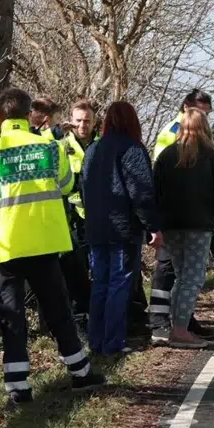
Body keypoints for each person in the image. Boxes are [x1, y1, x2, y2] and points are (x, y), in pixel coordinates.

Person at [0, 88, 100, 405]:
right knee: (59, 313)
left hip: (6, 249)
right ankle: (81, 374)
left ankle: (18, 388)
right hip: (45, 246)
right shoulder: (50, 149)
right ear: (29, 116)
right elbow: (68, 185)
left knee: (12, 321)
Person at [80, 101, 162, 356]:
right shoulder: (132, 149)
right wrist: (153, 227)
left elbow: (84, 189)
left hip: (96, 228)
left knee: (100, 284)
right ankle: (113, 342)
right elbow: (142, 194)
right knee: (119, 283)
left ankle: (96, 341)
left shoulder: (93, 149)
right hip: (122, 229)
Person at [153, 108, 214, 349]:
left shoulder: (166, 155)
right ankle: (179, 329)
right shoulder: (210, 156)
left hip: (171, 226)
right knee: (193, 278)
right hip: (199, 225)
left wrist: (157, 226)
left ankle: (176, 326)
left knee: (181, 275)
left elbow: (155, 192)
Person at [59, 99, 97, 319]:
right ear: (71, 122)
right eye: (79, 121)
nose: (83, 125)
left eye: (87, 121)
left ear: (94, 122)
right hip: (74, 219)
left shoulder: (101, 145)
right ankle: (82, 314)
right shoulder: (63, 147)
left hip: (100, 218)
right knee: (78, 270)